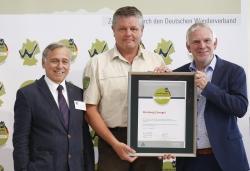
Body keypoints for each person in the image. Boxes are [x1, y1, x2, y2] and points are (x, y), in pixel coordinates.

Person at [83, 6, 170, 171]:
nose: (128, 33)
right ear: (113, 30)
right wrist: (115, 144)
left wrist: (171, 82)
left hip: (149, 139)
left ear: (142, 30)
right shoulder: (97, 63)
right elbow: (90, 109)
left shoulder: (156, 61)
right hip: (112, 140)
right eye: (122, 29)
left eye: (133, 28)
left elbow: (167, 104)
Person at [174, 23, 249, 171]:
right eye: (196, 42)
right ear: (188, 47)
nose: (202, 45)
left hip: (226, 158)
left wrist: (208, 88)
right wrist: (160, 78)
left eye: (207, 40)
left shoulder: (234, 71)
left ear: (215, 43)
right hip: (189, 160)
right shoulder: (178, 74)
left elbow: (240, 108)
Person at [13, 42, 95, 171]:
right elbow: (20, 141)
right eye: (54, 61)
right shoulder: (27, 95)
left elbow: (84, 137)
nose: (60, 66)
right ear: (43, 63)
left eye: (65, 61)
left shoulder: (79, 93)